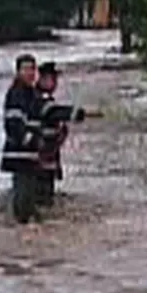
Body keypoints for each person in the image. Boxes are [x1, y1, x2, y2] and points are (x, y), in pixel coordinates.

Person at [1, 53, 46, 224]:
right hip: (19, 155)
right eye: (26, 69)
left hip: (31, 156)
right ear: (18, 72)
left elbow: (46, 113)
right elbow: (13, 125)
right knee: (22, 201)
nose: (30, 73)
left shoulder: (34, 94)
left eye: (33, 69)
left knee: (30, 200)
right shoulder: (16, 94)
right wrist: (30, 139)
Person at [32, 61, 85, 196]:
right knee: (43, 196)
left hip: (47, 157)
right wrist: (73, 114)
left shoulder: (42, 98)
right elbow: (54, 112)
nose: (55, 83)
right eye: (52, 79)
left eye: (55, 79)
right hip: (41, 158)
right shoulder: (39, 100)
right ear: (41, 79)